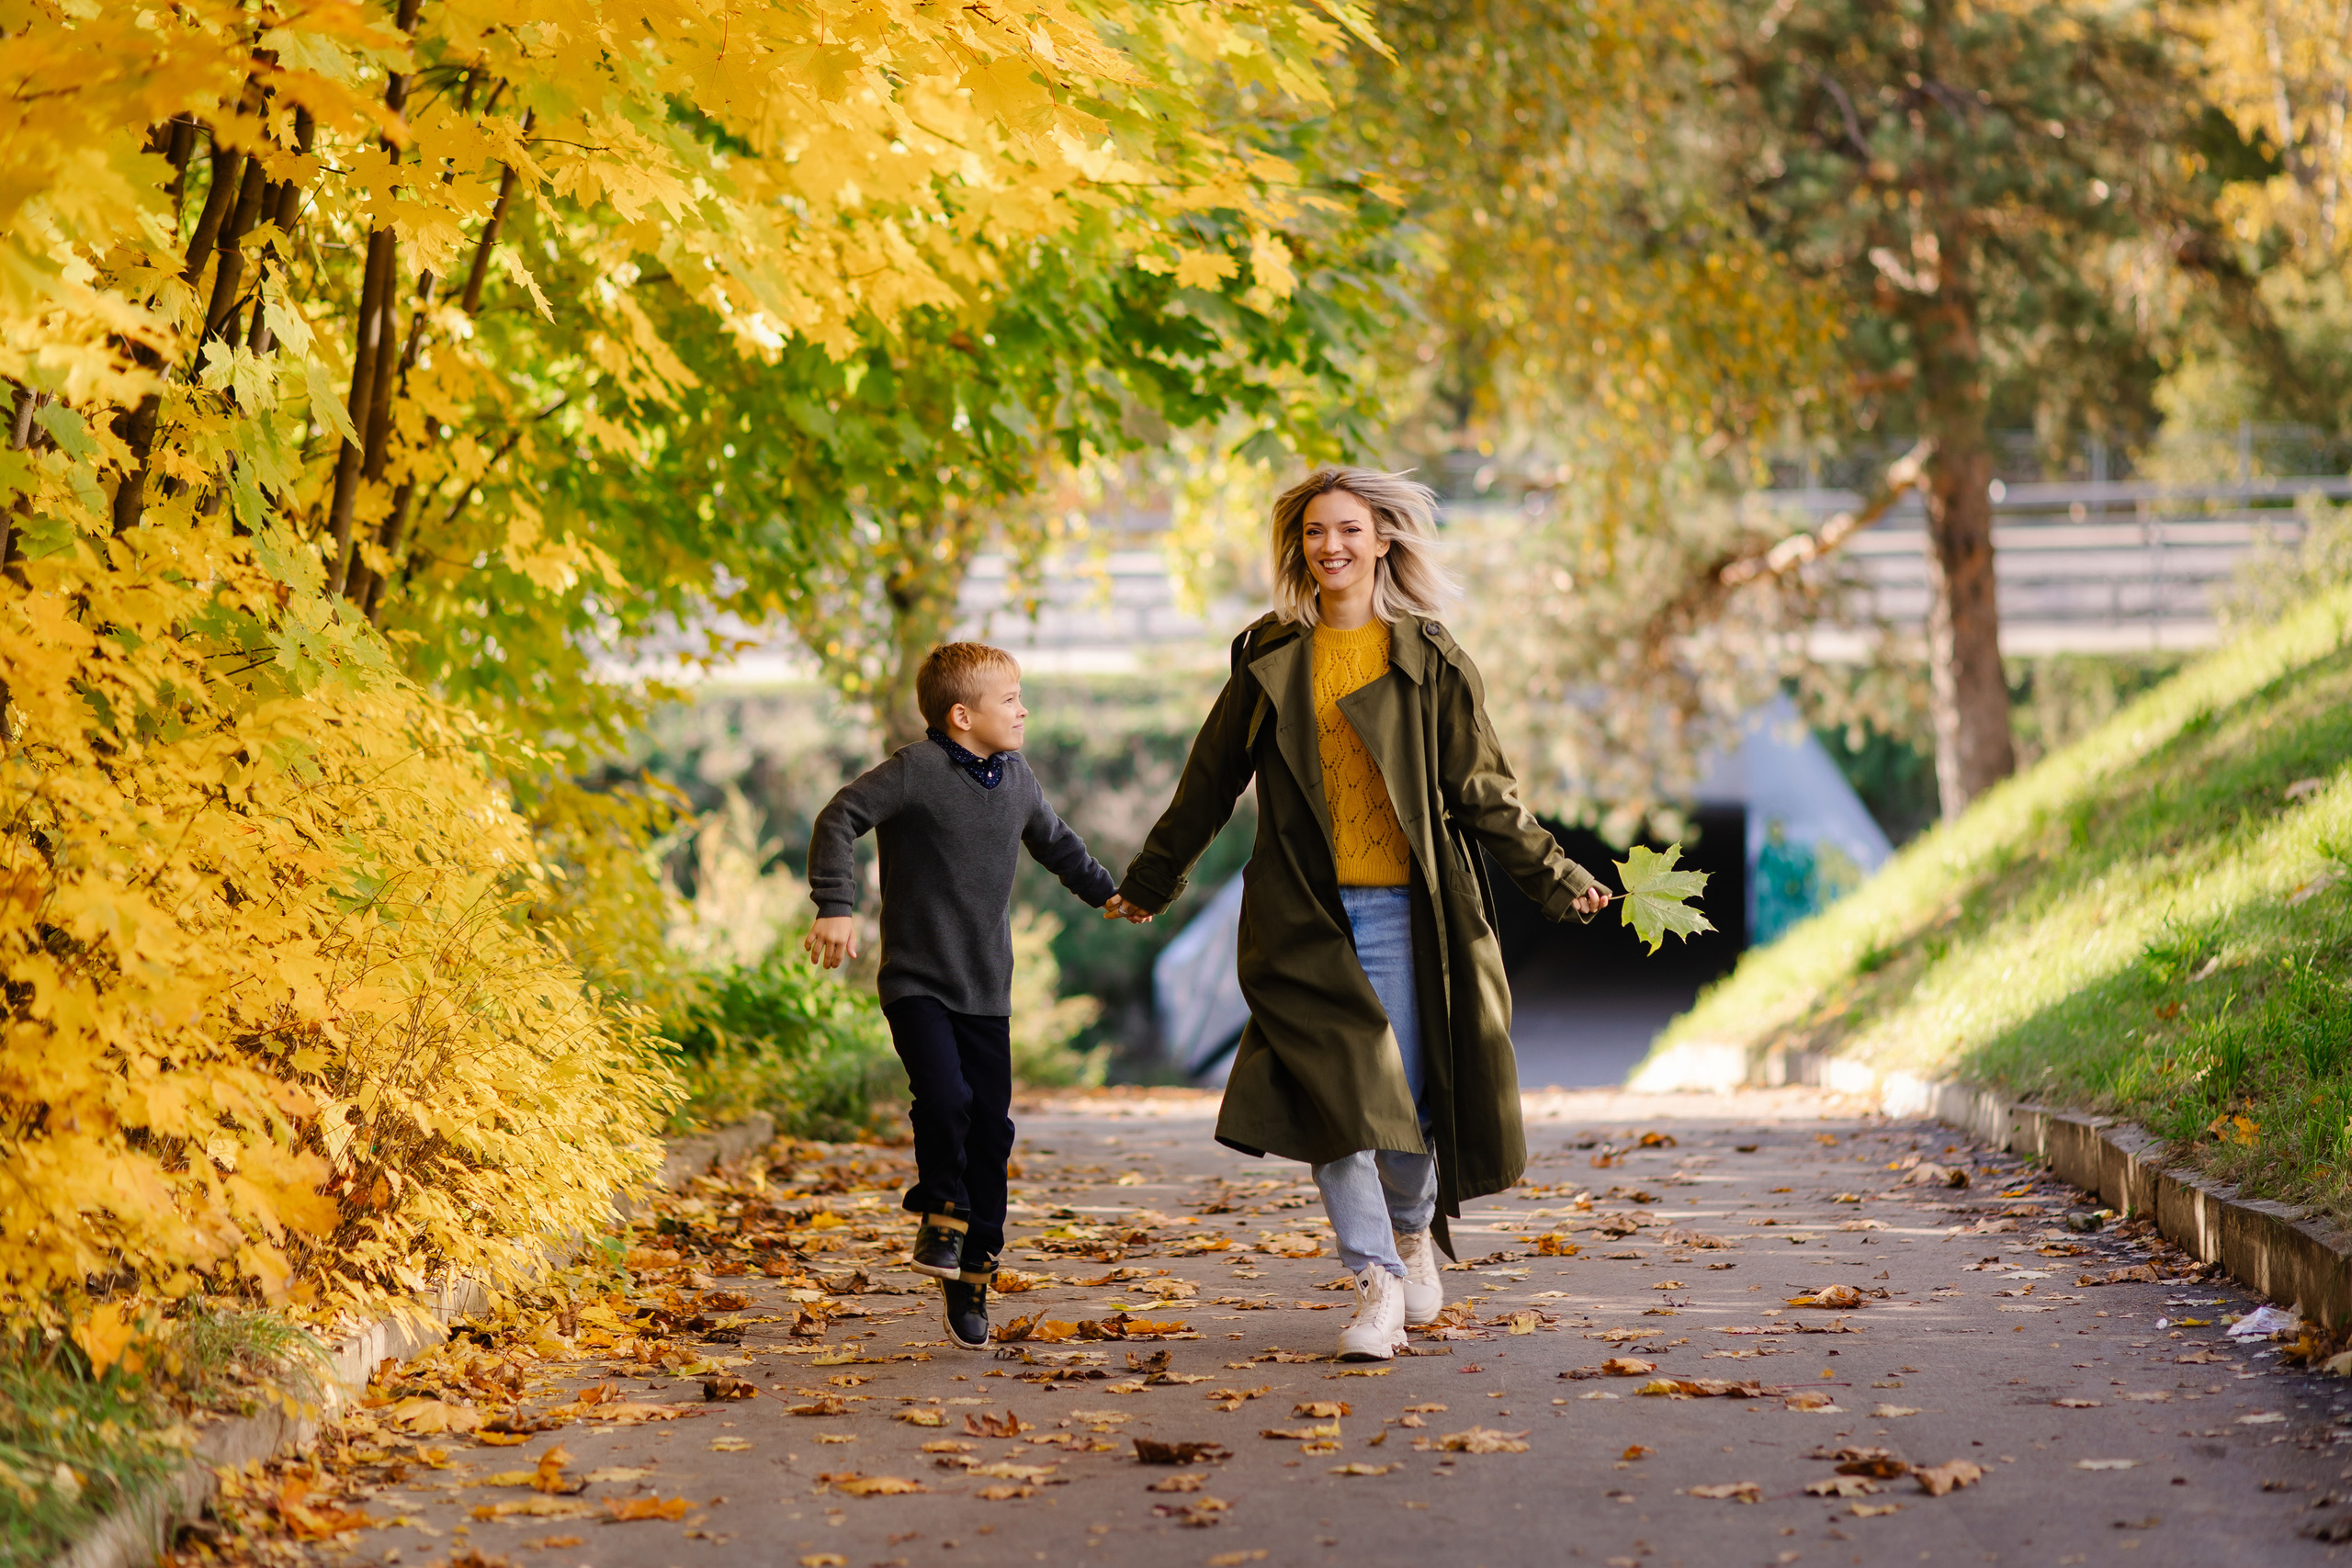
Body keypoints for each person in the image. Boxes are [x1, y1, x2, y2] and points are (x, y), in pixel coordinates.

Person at [1102, 466, 1611, 1361]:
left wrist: (1557, 875)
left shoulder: (1428, 656)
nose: (1329, 546)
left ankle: (1412, 1233)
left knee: (1403, 1105)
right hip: (1304, 916)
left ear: (1382, 540)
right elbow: (1210, 778)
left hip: (1408, 914)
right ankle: (1375, 1282)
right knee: (1339, 1104)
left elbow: (1482, 790)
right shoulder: (1268, 654)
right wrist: (1151, 879)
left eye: (1347, 529)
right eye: (1313, 532)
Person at [806, 642, 1148, 1351]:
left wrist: (1108, 893)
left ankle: (974, 1269)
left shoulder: (1018, 779)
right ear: (962, 715)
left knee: (991, 1129)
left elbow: (1058, 844)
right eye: (1010, 699)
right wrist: (835, 905)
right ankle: (941, 1213)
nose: (1023, 710)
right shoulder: (915, 771)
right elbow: (839, 817)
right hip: (917, 980)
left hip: (987, 986)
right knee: (946, 1096)